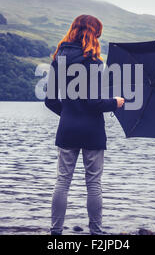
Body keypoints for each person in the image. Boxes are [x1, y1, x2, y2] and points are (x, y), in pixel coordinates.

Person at [45, 14, 124, 235]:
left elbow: (50, 101)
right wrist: (115, 103)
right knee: (93, 184)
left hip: (68, 128)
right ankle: (96, 233)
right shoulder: (94, 62)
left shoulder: (58, 59)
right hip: (92, 131)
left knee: (62, 182)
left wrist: (70, 113)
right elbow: (94, 102)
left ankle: (56, 232)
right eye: (98, 34)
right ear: (93, 34)